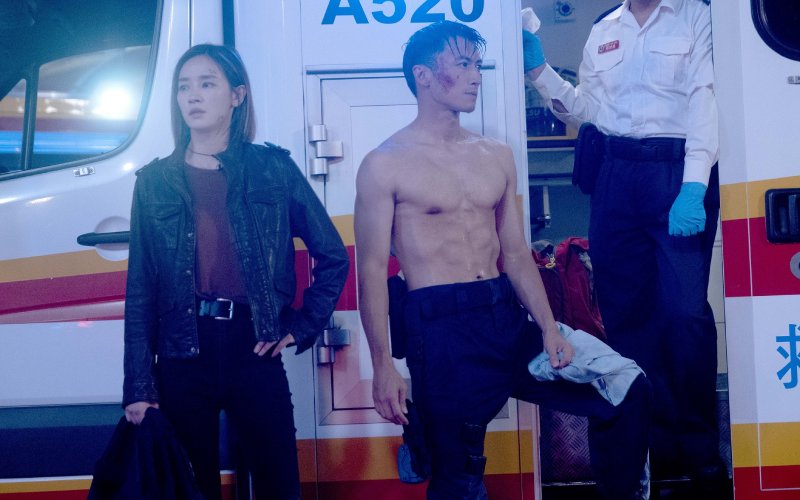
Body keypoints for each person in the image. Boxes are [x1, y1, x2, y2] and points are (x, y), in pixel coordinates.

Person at [355, 21, 650, 500]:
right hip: (441, 335)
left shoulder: (495, 155)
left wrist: (550, 328)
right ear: (423, 75)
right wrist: (382, 365)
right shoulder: (384, 164)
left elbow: (514, 254)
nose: (476, 76)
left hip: (504, 320)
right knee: (460, 478)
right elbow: (370, 271)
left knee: (624, 386)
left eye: (478, 65)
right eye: (462, 64)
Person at [122, 44, 349, 500]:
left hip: (254, 347)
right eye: (184, 87)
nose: (193, 96)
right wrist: (139, 386)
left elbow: (332, 254)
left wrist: (301, 325)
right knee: (189, 489)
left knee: (278, 485)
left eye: (207, 84)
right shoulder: (154, 182)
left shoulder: (273, 169)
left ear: (237, 95)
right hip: (182, 352)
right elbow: (141, 290)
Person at [524, 0, 727, 492]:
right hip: (615, 177)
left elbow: (705, 99)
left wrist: (694, 183)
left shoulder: (697, 16)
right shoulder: (603, 28)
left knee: (684, 316)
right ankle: (648, 452)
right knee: (626, 319)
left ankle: (701, 454)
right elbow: (588, 110)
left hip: (675, 169)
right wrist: (540, 72)